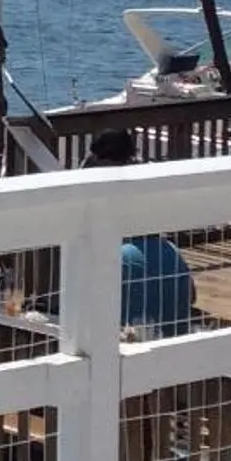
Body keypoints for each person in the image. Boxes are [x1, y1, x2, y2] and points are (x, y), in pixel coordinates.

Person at [85, 128, 195, 334]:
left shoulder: (120, 258)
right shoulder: (171, 254)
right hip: (165, 257)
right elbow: (192, 296)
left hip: (131, 333)